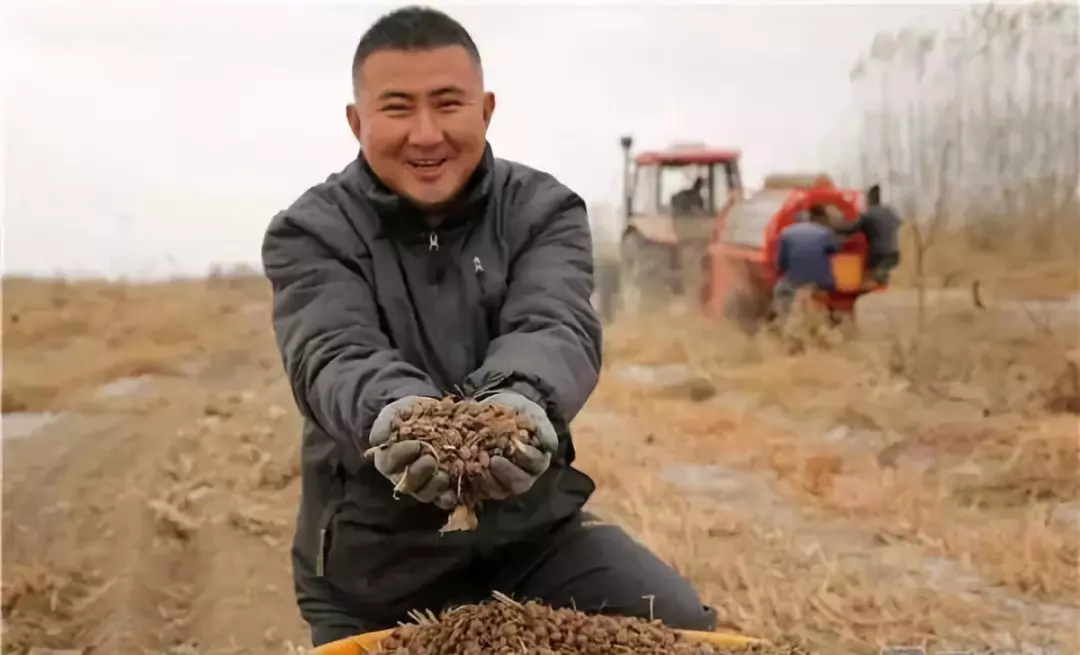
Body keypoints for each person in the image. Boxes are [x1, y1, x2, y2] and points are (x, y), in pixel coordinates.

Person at [260, 5, 717, 647]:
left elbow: (556, 324)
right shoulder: (311, 232)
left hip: (532, 542)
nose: (426, 134)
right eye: (397, 109)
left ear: (486, 109)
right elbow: (332, 352)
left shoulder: (542, 210)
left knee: (679, 630)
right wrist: (402, 416)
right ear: (356, 122)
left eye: (448, 104)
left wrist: (519, 403)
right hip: (376, 567)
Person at [772, 206, 838, 319]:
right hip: (821, 281)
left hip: (796, 281)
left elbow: (781, 263)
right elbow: (834, 249)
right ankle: (832, 317)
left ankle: (781, 318)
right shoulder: (824, 232)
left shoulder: (786, 233)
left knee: (780, 290)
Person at [833, 183, 901, 287]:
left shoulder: (869, 214)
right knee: (882, 274)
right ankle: (883, 284)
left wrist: (834, 228)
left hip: (879, 254)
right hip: (895, 252)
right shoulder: (889, 211)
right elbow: (899, 223)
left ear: (870, 200)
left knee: (870, 275)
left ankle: (879, 287)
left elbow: (851, 229)